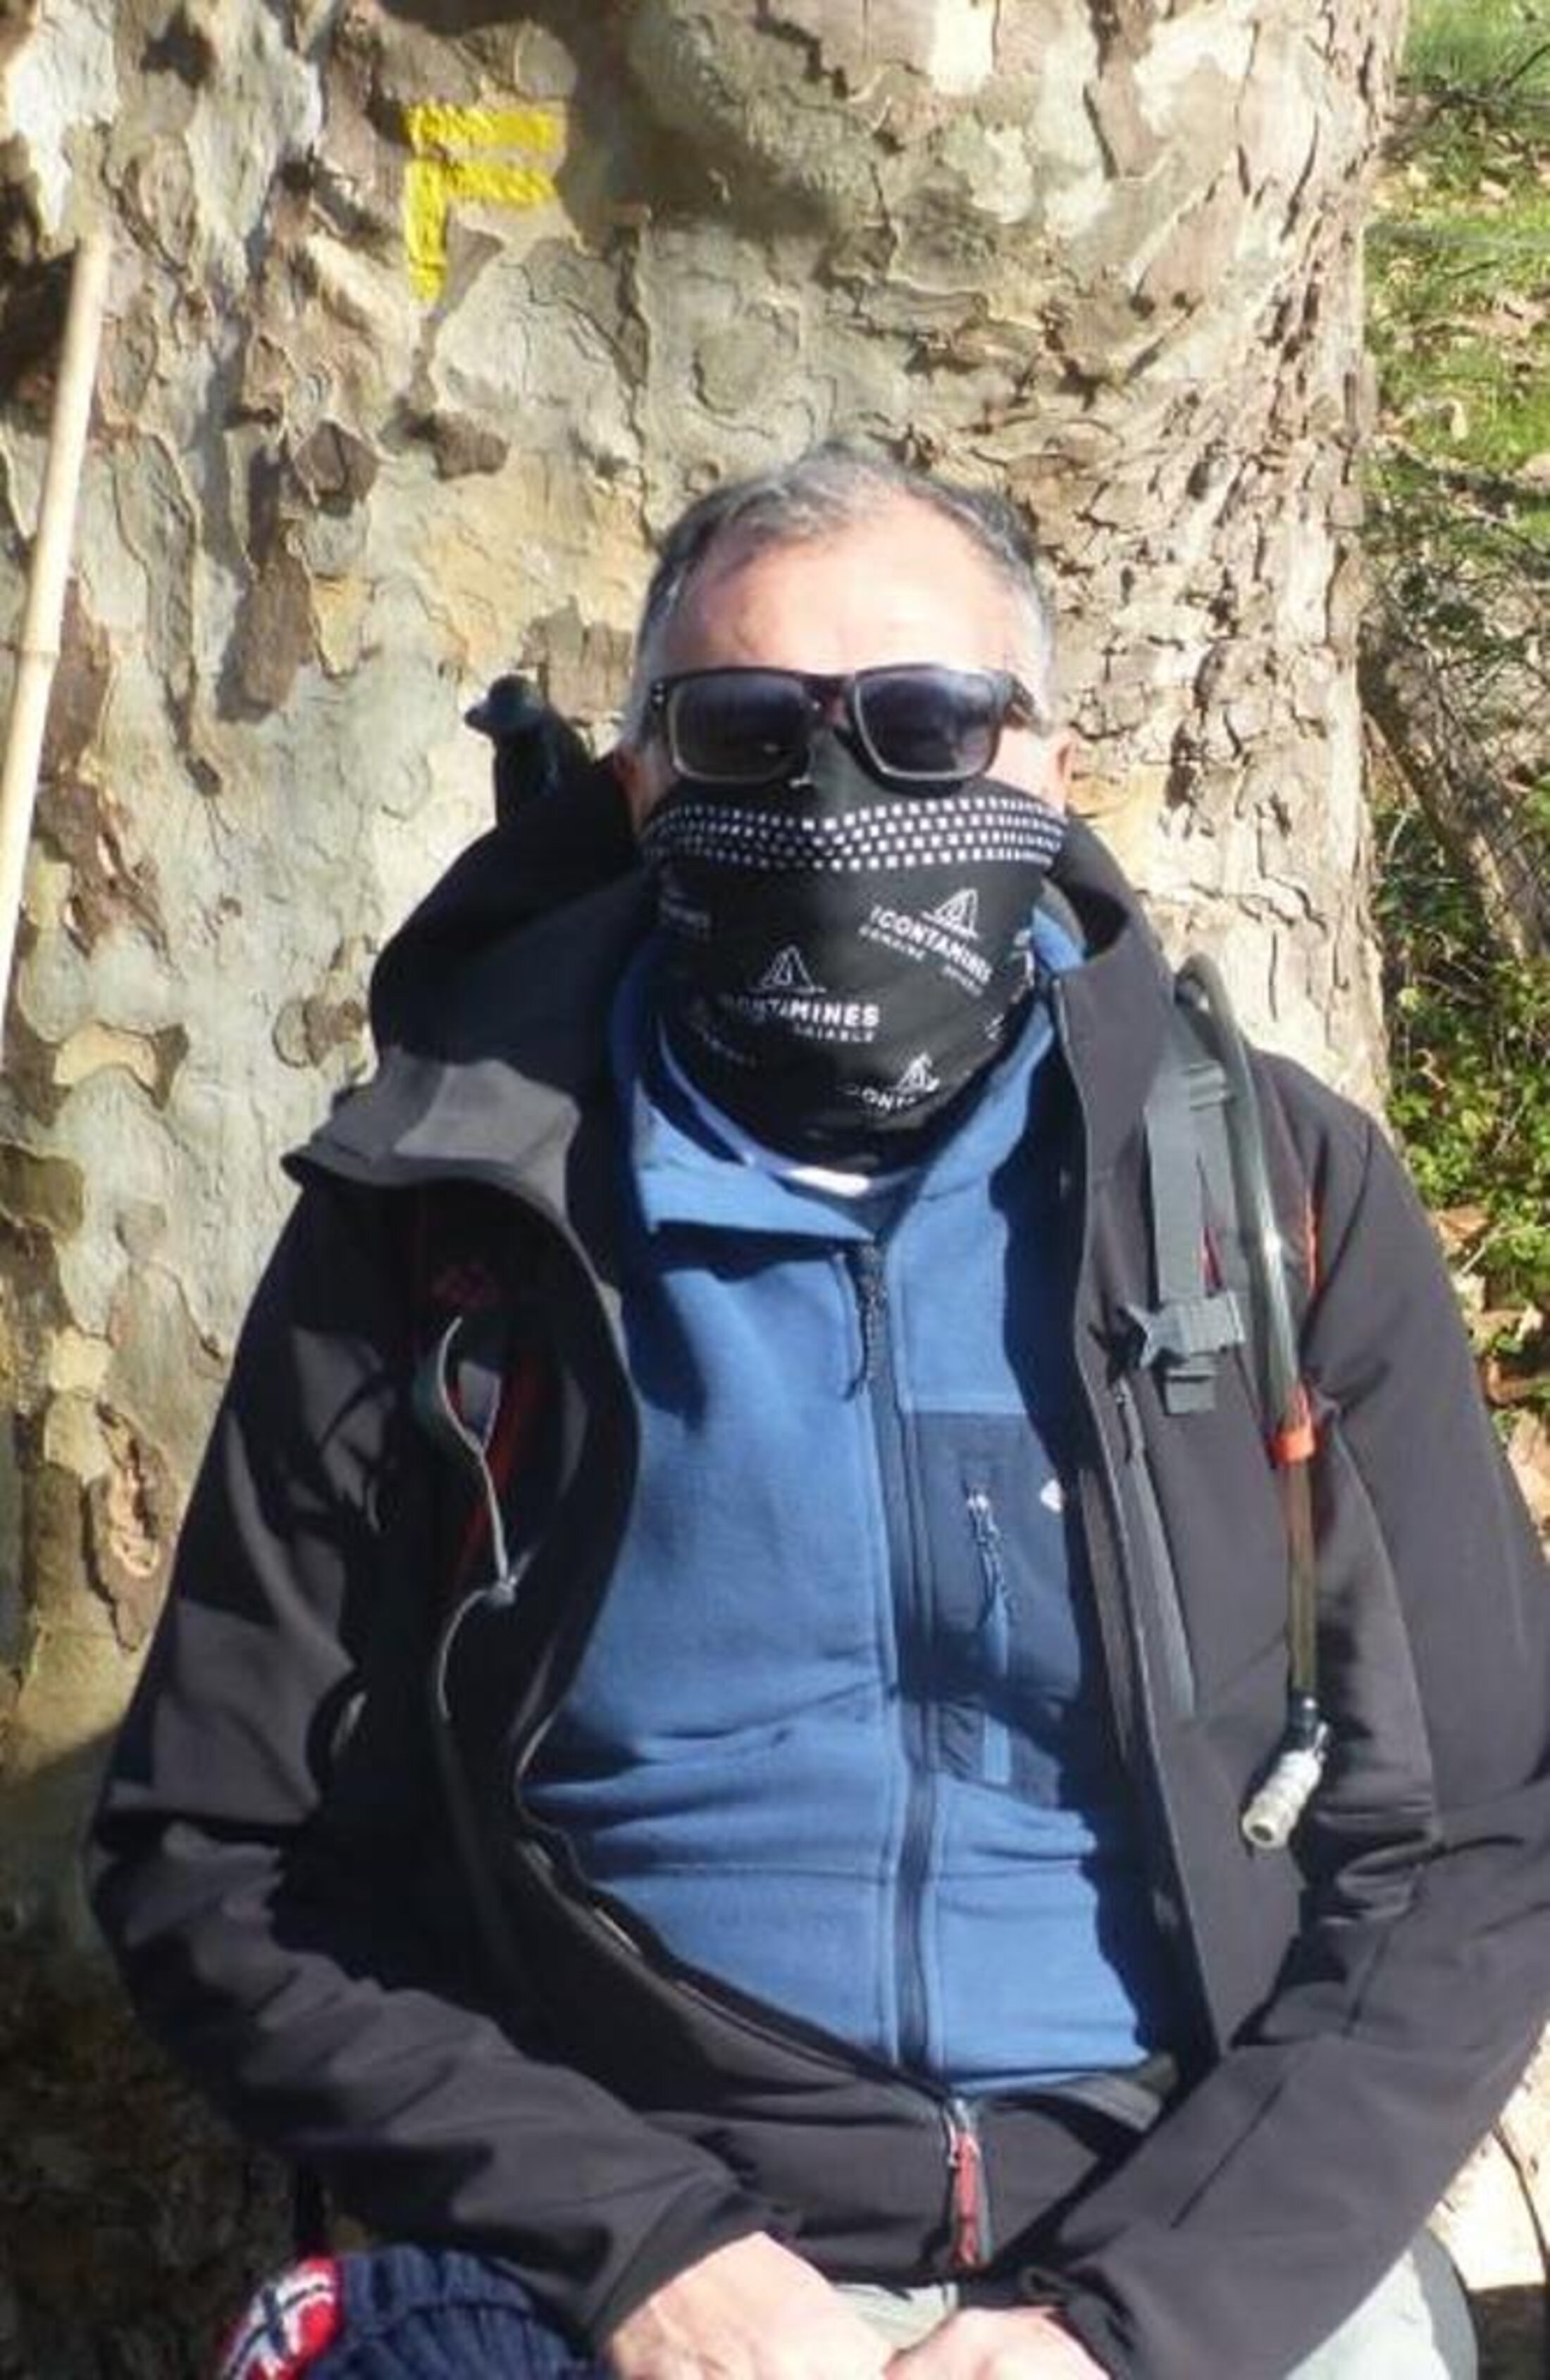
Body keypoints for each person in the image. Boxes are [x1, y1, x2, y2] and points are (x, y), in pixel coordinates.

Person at [88, 446, 1549, 2380]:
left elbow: (1479, 1837)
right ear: (643, 785)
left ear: (1053, 770)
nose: (839, 791)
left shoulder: (1270, 1195)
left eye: (928, 724)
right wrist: (646, 2252)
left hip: (1191, 2230)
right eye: (747, 731)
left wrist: (1134, 2325)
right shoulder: (444, 1214)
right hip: (628, 2244)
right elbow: (217, 1857)